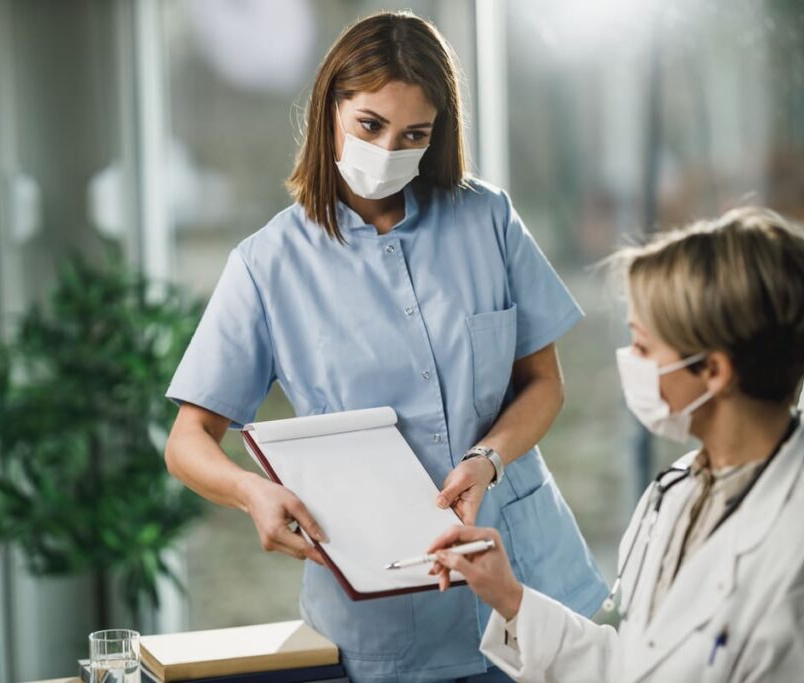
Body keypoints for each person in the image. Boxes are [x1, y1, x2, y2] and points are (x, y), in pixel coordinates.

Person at [163, 10, 607, 683]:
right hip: (387, 626)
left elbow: (545, 384)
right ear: (329, 110)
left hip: (529, 590)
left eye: (414, 134)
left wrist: (488, 458)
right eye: (370, 125)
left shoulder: (488, 219)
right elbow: (188, 438)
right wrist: (251, 491)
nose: (388, 150)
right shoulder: (267, 265)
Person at [428, 207, 804, 681]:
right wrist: (508, 595)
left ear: (713, 371)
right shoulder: (679, 490)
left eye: (642, 346)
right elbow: (632, 664)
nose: (628, 363)